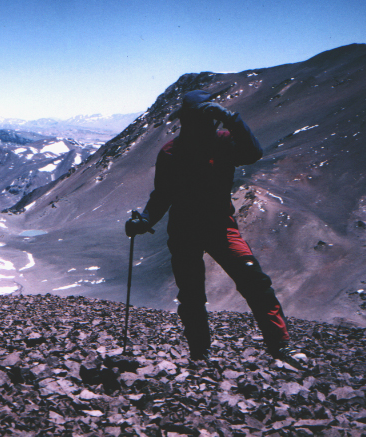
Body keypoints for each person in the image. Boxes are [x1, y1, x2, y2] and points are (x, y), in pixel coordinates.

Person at [125, 90, 304, 366]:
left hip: (218, 227)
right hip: (192, 230)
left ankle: (279, 345)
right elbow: (162, 194)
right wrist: (146, 220)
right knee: (193, 293)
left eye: (209, 118)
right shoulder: (172, 152)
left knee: (254, 283)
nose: (205, 124)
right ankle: (201, 353)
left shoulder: (222, 142)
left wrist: (231, 119)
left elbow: (253, 153)